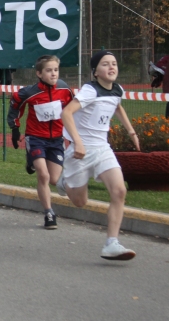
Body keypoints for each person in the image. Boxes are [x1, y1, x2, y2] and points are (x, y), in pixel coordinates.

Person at [58, 51, 140, 261]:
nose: (111, 67)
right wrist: (78, 142)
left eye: (114, 63)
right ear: (95, 71)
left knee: (119, 191)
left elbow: (117, 106)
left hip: (103, 149)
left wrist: (131, 132)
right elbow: (66, 113)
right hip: (80, 151)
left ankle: (111, 243)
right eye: (105, 64)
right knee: (80, 202)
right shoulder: (90, 90)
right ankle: (64, 181)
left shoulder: (117, 89)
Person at [8, 55, 74, 230]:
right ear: (39, 73)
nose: (53, 74)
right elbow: (15, 102)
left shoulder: (64, 89)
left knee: (54, 179)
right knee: (43, 176)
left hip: (56, 140)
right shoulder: (30, 92)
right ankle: (49, 213)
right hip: (36, 138)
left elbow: (72, 109)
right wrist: (15, 128)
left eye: (56, 70)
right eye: (49, 70)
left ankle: (32, 161)